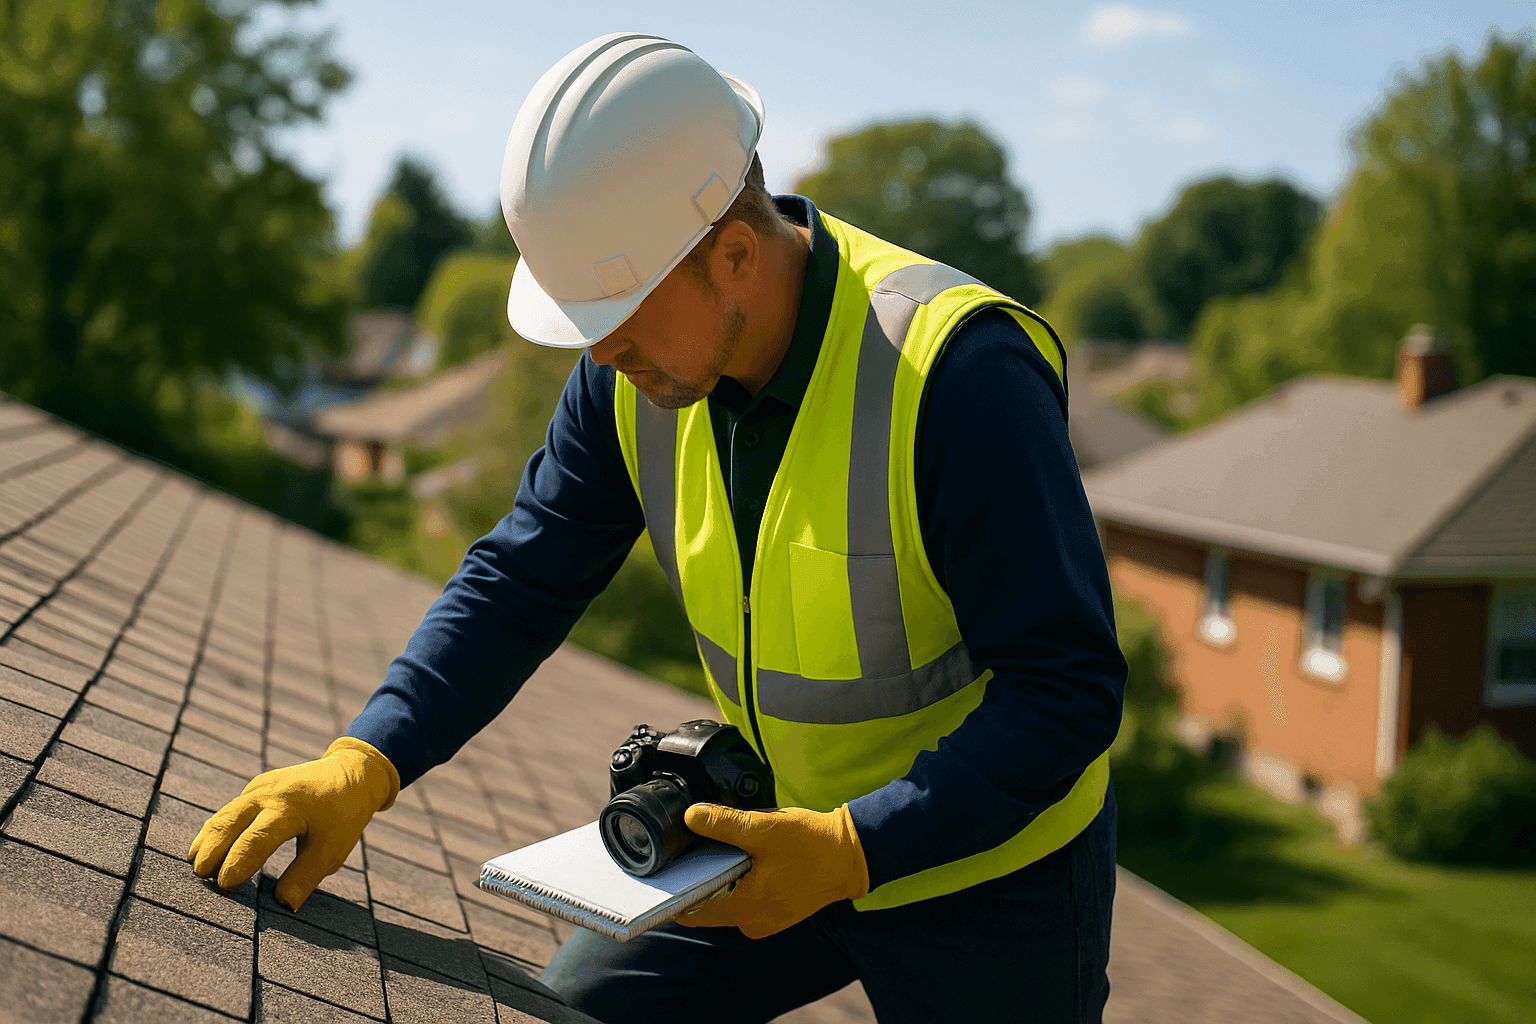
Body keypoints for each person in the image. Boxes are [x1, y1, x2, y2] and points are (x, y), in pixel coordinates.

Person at [188, 33, 1126, 1024]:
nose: (598, 347)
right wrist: (365, 759)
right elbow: (520, 577)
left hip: (980, 867)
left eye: (619, 308)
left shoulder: (957, 377)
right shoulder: (627, 376)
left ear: (733, 252)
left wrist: (857, 849)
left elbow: (1066, 689)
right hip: (768, 828)